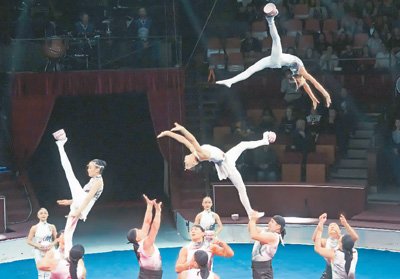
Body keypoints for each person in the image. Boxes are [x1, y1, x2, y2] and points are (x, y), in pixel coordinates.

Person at [216, 3, 331, 110]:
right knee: (253, 67)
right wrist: (324, 95)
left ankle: (270, 20)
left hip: (277, 61)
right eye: (300, 82)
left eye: (298, 83)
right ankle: (230, 81)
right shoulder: (302, 72)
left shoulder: (299, 76)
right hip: (275, 61)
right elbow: (314, 83)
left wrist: (313, 98)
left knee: (272, 47)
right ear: (299, 79)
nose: (302, 83)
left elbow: (307, 86)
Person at [158, 122, 276, 218]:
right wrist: (183, 129)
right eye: (186, 163)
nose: (184, 160)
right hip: (226, 165)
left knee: (242, 144)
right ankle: (250, 213)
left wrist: (168, 133)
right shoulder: (201, 154)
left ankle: (264, 141)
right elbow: (192, 139)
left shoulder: (194, 151)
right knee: (241, 188)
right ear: (193, 162)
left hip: (227, 157)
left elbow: (184, 141)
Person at [54, 129, 106, 257]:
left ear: (98, 169)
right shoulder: (93, 180)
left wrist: (78, 211)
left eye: (90, 167)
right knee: (67, 232)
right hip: (80, 203)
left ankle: (61, 145)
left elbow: (88, 198)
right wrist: (70, 202)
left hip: (83, 205)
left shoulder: (99, 181)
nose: (88, 169)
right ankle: (67, 256)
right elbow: (82, 195)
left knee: (69, 172)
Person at [312, 213, 359, 279]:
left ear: (340, 230)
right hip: (330, 270)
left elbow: (354, 238)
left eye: (335, 225)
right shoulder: (325, 242)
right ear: (328, 232)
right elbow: (315, 239)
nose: (332, 226)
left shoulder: (344, 240)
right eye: (330, 226)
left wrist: (345, 224)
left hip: (343, 270)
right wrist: (320, 224)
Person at [127, 194, 163, 279]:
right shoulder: (145, 245)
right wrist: (158, 212)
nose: (141, 229)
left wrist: (149, 206)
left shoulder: (139, 242)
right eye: (138, 230)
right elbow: (154, 228)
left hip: (147, 275)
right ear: (137, 238)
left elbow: (147, 222)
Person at [248, 211, 286, 279]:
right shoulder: (266, 230)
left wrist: (253, 220)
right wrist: (252, 219)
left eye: (272, 222)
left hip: (263, 270)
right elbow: (250, 229)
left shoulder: (273, 236)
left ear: (278, 226)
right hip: (257, 267)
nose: (269, 223)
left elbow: (253, 235)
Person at [27, 208, 57, 279]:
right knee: (40, 272)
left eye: (45, 213)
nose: (43, 214)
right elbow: (29, 240)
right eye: (41, 213)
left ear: (48, 215)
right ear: (38, 216)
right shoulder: (34, 228)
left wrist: (52, 245)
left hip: (50, 250)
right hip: (38, 251)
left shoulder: (52, 227)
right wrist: (38, 246)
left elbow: (57, 239)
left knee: (49, 272)